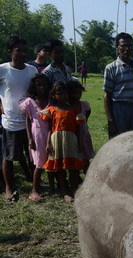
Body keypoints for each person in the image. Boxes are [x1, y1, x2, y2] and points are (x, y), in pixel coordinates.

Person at [0, 35, 37, 203]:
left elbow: (36, 92)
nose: (23, 53)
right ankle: (9, 187)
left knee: (31, 155)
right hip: (11, 121)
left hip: (30, 120)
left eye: (25, 50)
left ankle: (34, 184)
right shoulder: (3, 69)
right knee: (9, 156)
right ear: (10, 52)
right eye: (18, 50)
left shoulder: (32, 70)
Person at [41, 81, 86, 202]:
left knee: (73, 167)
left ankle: (74, 189)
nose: (63, 96)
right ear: (53, 95)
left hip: (71, 140)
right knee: (60, 167)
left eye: (65, 93)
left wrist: (79, 143)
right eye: (59, 93)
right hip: (56, 140)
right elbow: (50, 128)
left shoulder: (73, 110)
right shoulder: (51, 110)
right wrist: (48, 143)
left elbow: (78, 129)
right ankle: (64, 192)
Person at [103, 32, 133, 139]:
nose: (127, 48)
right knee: (119, 142)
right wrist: (110, 120)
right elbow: (107, 95)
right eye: (123, 45)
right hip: (119, 109)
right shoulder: (111, 68)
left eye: (130, 45)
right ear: (117, 47)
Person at [20, 73, 51, 201]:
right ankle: (34, 189)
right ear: (34, 87)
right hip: (37, 135)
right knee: (39, 163)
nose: (42, 87)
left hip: (50, 134)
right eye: (38, 85)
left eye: (44, 85)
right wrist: (30, 139)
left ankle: (53, 187)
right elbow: (28, 120)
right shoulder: (30, 102)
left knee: (50, 160)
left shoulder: (51, 101)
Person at [67, 79, 94, 169]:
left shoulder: (84, 104)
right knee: (74, 156)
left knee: (85, 155)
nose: (77, 95)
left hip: (83, 134)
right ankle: (76, 175)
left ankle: (87, 172)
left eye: (79, 92)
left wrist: (85, 122)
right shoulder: (67, 106)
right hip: (72, 135)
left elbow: (87, 112)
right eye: (74, 93)